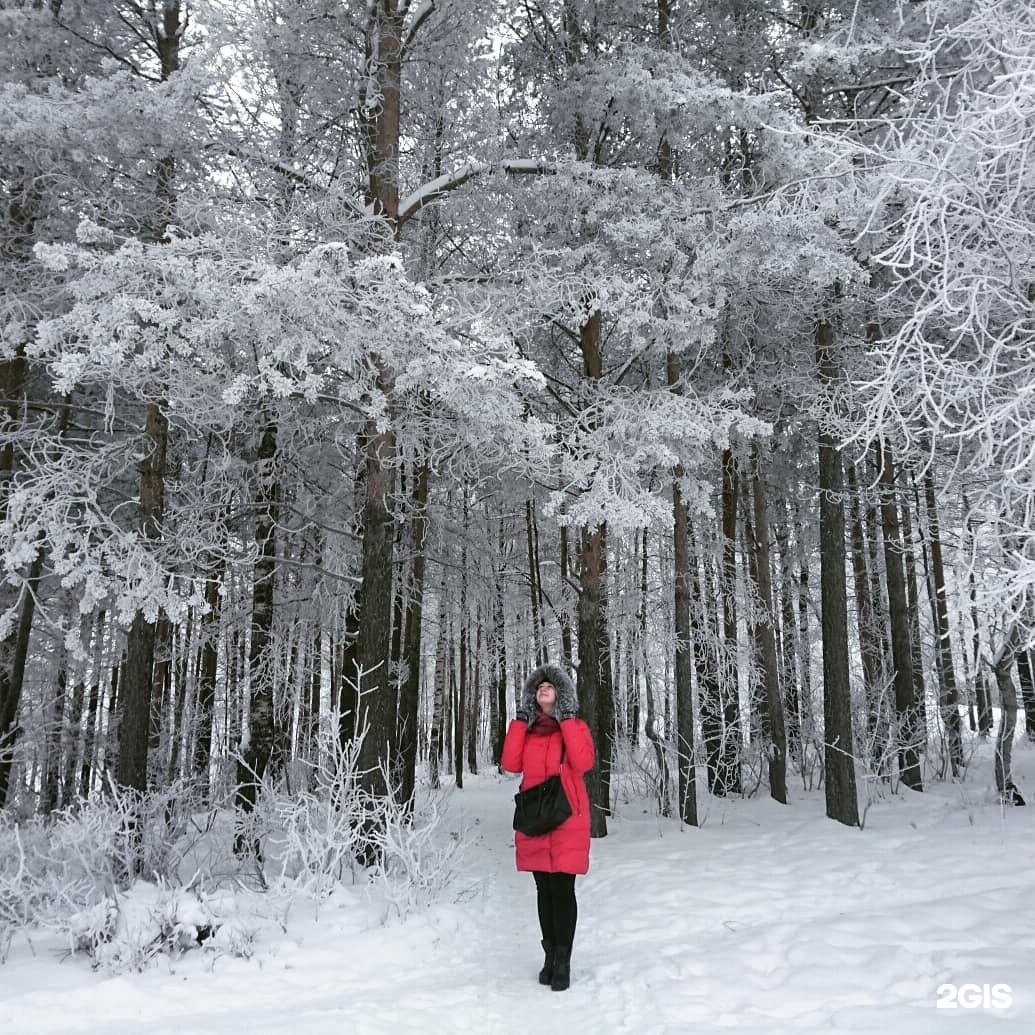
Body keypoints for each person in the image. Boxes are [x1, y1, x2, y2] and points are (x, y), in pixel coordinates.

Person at [501, 663, 595, 992]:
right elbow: (510, 764)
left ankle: (564, 961)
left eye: (551, 686)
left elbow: (584, 763)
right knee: (544, 889)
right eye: (539, 685)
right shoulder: (526, 730)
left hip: (567, 816)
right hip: (536, 818)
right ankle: (550, 956)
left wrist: (566, 719)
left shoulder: (575, 726)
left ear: (561, 694)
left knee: (562, 889)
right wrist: (520, 721)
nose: (544, 688)